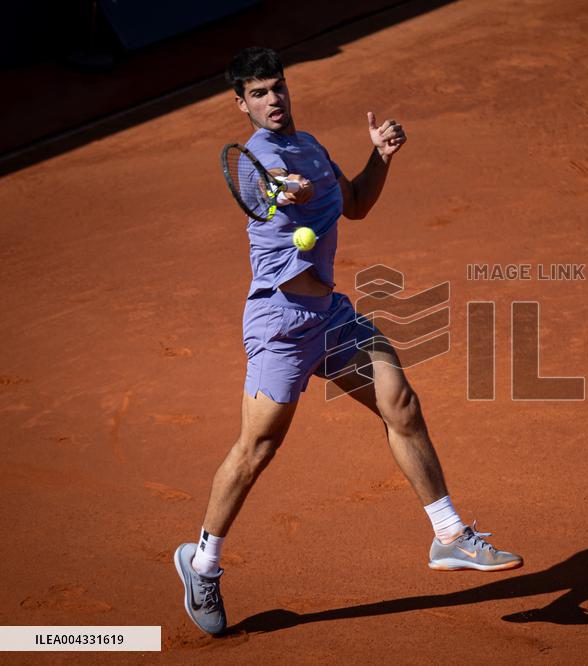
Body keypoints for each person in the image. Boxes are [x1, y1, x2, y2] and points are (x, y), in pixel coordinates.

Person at [174, 46, 521, 637]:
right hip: (280, 325)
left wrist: (380, 158)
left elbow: (355, 203)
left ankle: (449, 536)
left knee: (400, 401)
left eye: (278, 87)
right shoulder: (252, 162)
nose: (273, 99)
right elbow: (268, 196)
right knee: (257, 450)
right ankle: (202, 562)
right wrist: (288, 195)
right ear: (242, 104)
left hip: (328, 315)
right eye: (258, 93)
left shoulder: (311, 146)